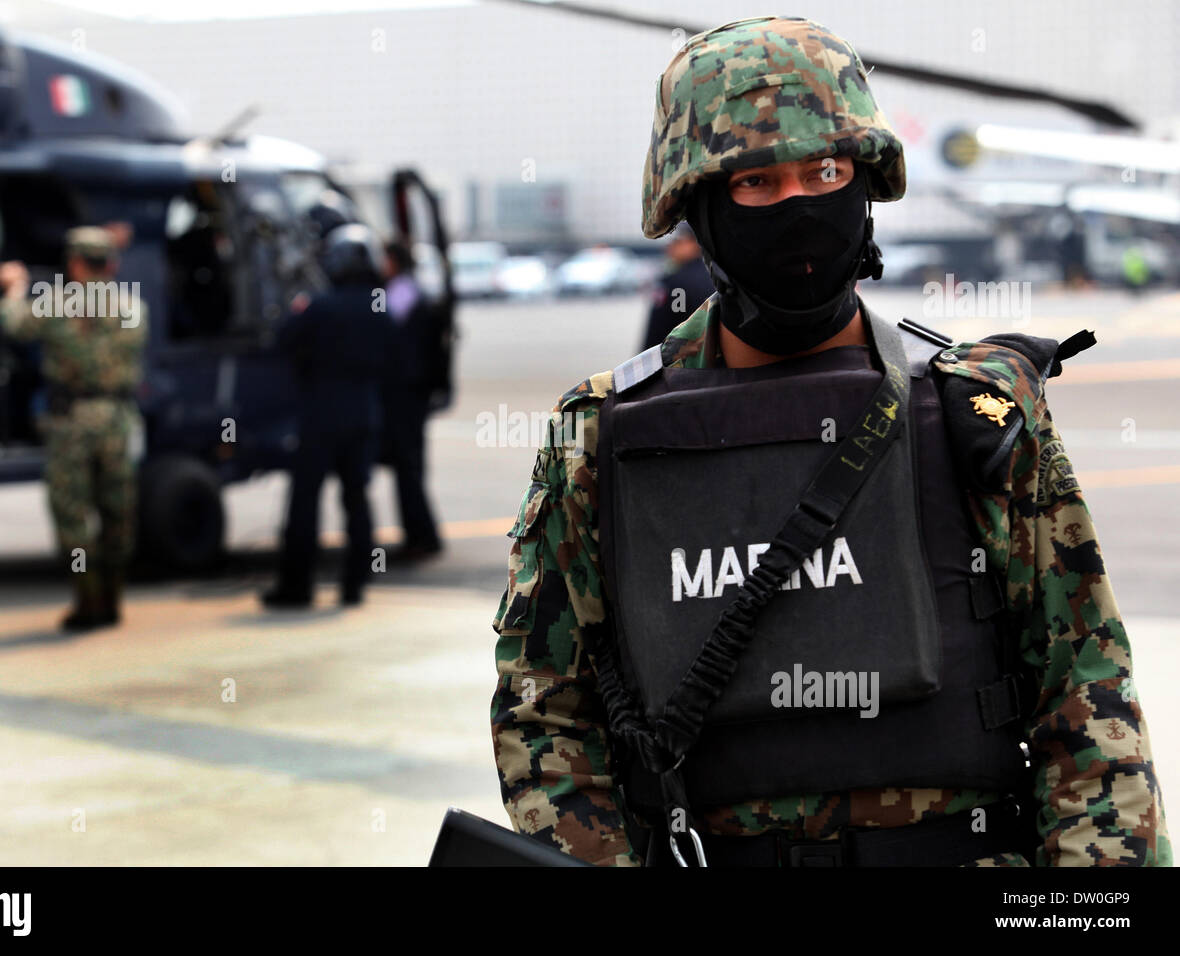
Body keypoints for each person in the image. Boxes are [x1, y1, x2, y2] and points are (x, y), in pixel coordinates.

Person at [489, 16, 1170, 867]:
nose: (798, 208)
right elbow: (546, 713)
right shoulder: (600, 439)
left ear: (866, 181)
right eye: (757, 185)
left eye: (825, 172)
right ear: (697, 205)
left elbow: (1088, 698)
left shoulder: (975, 412)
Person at [0, 226, 147, 632]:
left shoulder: (53, 304)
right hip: (118, 419)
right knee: (118, 513)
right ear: (111, 264)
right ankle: (112, 598)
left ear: (75, 263)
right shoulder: (133, 308)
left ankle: (88, 602)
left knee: (72, 515)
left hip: (71, 422)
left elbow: (13, 324)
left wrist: (14, 287)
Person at [263, 223, 391, 609]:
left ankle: (297, 587)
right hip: (363, 414)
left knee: (305, 500)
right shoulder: (379, 306)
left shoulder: (319, 306)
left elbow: (283, 340)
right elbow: (393, 356)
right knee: (357, 498)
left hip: (320, 416)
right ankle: (354, 585)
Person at [382, 240, 442, 560]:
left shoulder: (402, 292)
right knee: (408, 465)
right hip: (410, 392)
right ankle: (420, 535)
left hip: (406, 394)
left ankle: (423, 537)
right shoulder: (405, 289)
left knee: (408, 465)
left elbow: (385, 331)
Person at [640, 221, 715, 352]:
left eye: (676, 241)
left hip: (678, 360)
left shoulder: (675, 282)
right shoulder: (717, 277)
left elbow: (661, 328)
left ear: (694, 243)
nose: (669, 247)